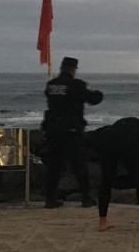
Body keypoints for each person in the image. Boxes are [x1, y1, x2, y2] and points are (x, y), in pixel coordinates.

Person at [42, 56, 103, 209]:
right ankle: (86, 198)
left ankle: (50, 199)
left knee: (54, 166)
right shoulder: (76, 85)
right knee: (79, 165)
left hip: (53, 130)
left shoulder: (51, 85)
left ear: (61, 68)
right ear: (73, 70)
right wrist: (99, 94)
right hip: (71, 131)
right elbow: (92, 99)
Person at [89, 117, 139, 232]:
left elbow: (102, 135)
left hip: (107, 140)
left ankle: (102, 222)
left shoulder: (126, 123)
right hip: (128, 142)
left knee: (106, 181)